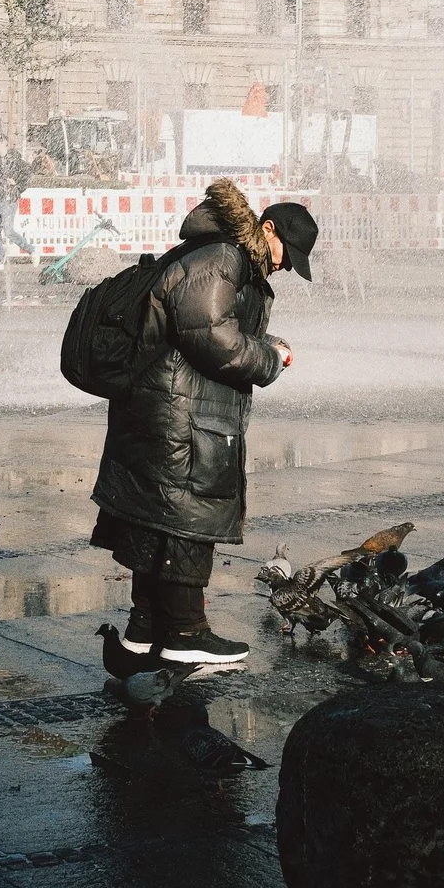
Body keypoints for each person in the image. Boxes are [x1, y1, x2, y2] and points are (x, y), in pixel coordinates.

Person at [94, 180, 319, 665]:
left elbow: (206, 322)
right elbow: (211, 336)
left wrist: (265, 342)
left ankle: (145, 628)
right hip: (180, 413)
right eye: (287, 254)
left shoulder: (218, 254)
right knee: (184, 518)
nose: (283, 266)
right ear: (268, 228)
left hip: (170, 405)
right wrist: (268, 360)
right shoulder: (224, 257)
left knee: (160, 517)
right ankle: (185, 632)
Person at [0, 144, 36, 265]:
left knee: (8, 231)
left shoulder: (14, 160)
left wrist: (17, 184)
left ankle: (31, 250)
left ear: (1, 143)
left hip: (9, 200)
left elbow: (28, 174)